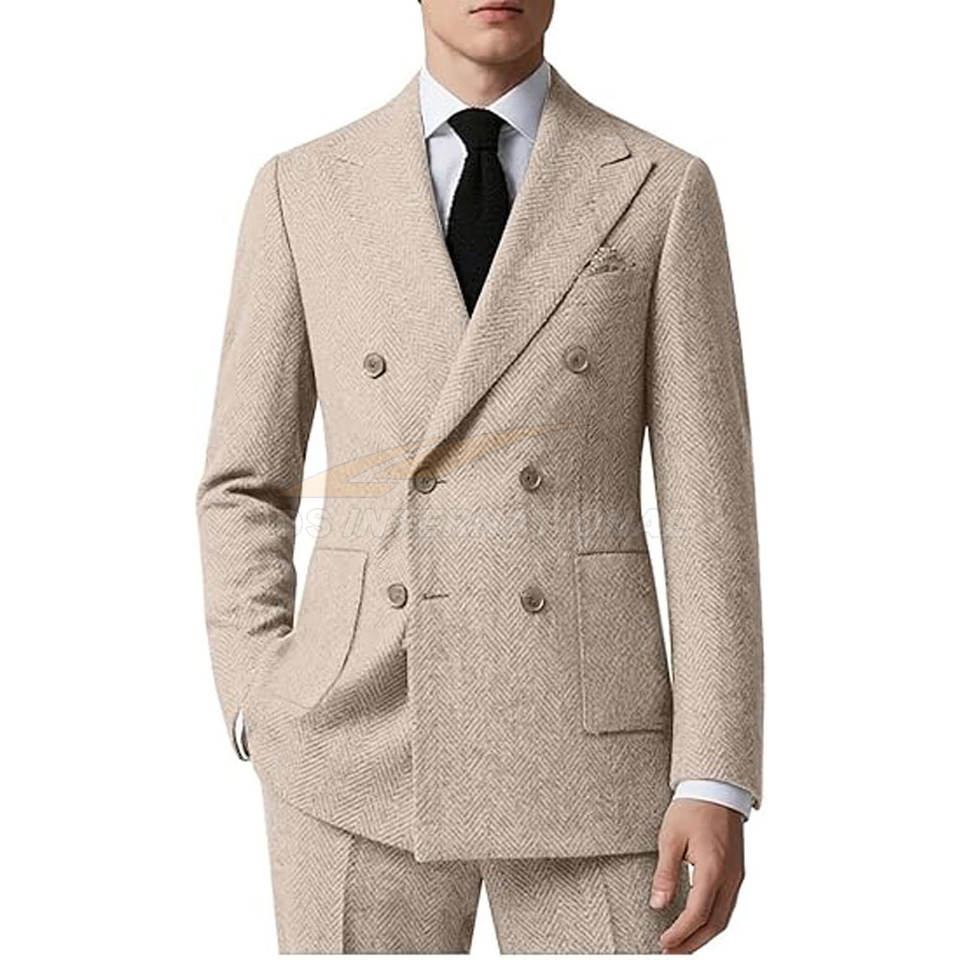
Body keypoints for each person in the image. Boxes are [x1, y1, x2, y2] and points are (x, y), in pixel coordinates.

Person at [196, 0, 763, 952]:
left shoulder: (658, 185)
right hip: (351, 745)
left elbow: (711, 506)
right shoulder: (304, 189)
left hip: (594, 753)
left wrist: (715, 771)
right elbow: (243, 480)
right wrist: (259, 693)